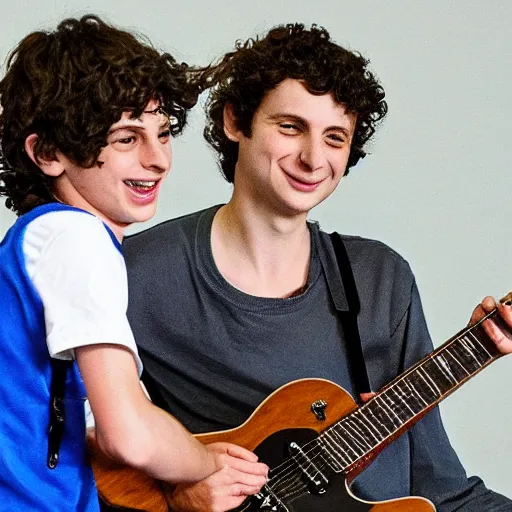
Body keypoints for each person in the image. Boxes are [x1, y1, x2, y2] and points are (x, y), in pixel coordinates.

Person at [123, 23, 512, 511]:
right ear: (234, 121)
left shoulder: (379, 278)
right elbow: (62, 447)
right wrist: (179, 492)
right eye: (291, 127)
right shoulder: (138, 275)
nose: (313, 158)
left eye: (334, 137)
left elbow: (435, 482)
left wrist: (483, 343)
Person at [0, 15, 267, 512]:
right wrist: (207, 465)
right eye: (126, 138)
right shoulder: (75, 237)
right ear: (49, 152)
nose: (159, 159)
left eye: (163, 133)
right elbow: (129, 434)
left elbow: (95, 429)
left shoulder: (40, 244)